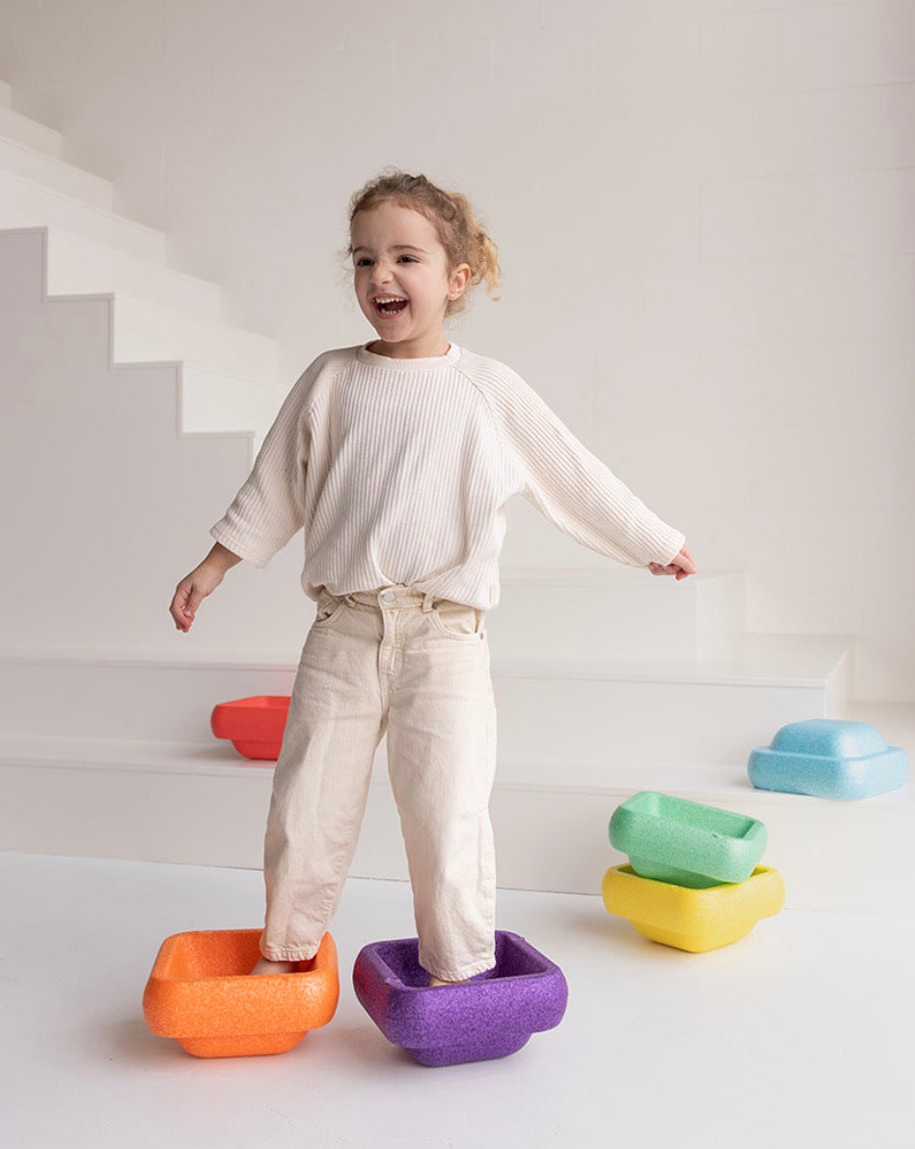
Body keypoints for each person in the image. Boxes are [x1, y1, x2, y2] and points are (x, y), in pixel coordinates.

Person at [169, 170, 695, 987]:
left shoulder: (488, 389)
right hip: (343, 631)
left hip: (445, 639)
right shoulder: (331, 378)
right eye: (363, 259)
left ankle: (458, 969)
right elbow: (275, 485)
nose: (380, 274)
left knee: (448, 813)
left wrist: (651, 540)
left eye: (404, 257)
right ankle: (284, 952)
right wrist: (214, 565)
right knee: (306, 807)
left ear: (456, 278)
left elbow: (572, 472)